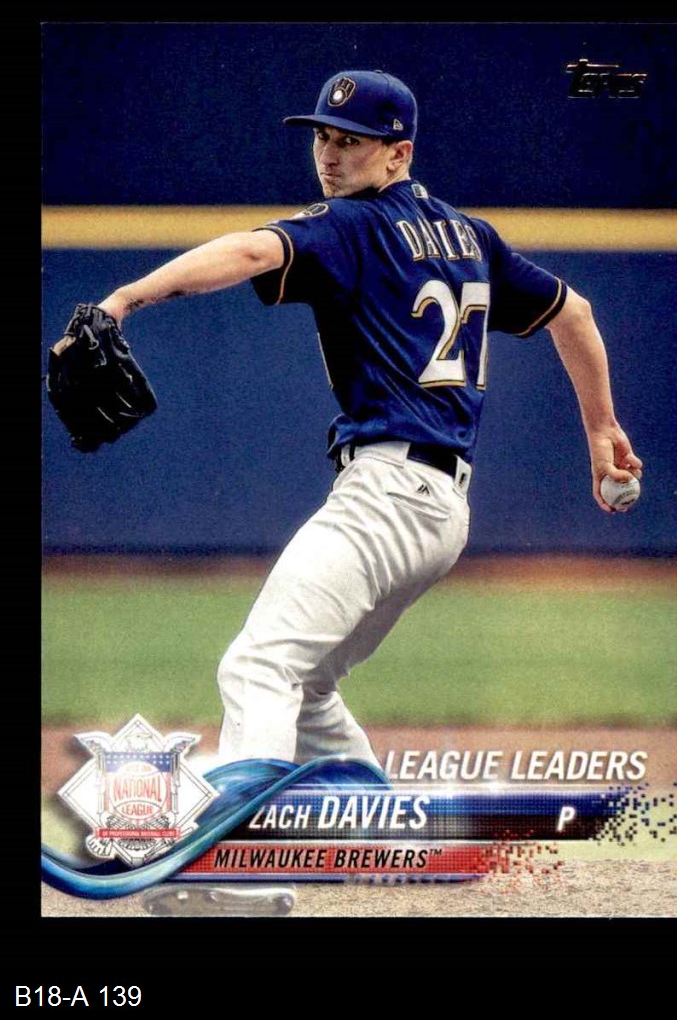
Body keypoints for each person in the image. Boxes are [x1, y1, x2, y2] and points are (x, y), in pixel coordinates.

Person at [92, 69, 643, 770]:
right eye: (322, 136)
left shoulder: (351, 224)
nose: (329, 154)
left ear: (398, 154)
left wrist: (123, 299)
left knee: (258, 668)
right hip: (441, 513)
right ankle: (378, 820)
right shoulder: (471, 236)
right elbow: (575, 313)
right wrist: (601, 428)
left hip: (386, 493)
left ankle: (245, 843)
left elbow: (254, 251)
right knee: (309, 687)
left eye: (351, 141)